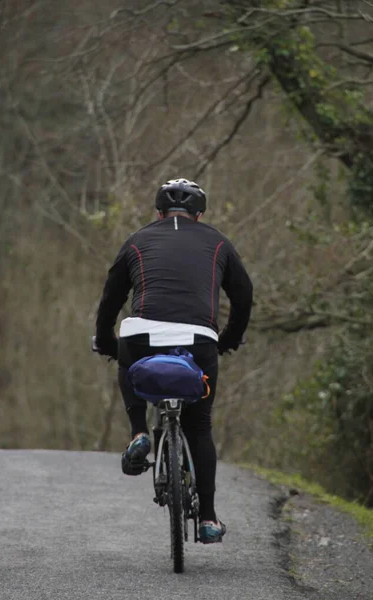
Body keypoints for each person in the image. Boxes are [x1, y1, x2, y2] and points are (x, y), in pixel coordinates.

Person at [94, 178, 253, 544]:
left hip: (142, 334)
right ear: (200, 214)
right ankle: (209, 519)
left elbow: (110, 299)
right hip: (199, 340)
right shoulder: (218, 242)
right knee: (199, 424)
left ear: (158, 213)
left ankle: (138, 432)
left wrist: (106, 341)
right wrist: (227, 340)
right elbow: (243, 296)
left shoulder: (137, 240)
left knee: (126, 359)